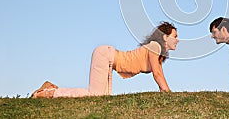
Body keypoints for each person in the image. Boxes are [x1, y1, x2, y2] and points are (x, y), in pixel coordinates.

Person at [31, 22, 179, 98]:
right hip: (105, 55)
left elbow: (159, 74)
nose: (178, 40)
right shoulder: (154, 46)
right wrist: (168, 93)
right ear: (165, 37)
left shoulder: (157, 52)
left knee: (101, 98)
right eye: (175, 36)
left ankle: (52, 90)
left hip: (109, 59)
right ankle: (47, 93)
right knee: (94, 95)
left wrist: (163, 91)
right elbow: (157, 74)